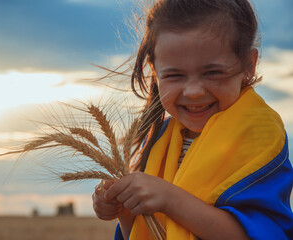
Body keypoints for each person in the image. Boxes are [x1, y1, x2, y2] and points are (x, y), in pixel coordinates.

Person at [92, 0, 293, 239]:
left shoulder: (258, 134)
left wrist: (168, 198)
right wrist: (126, 211)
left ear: (249, 65)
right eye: (175, 75)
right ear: (155, 72)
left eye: (213, 72)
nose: (194, 91)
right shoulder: (159, 139)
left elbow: (256, 234)